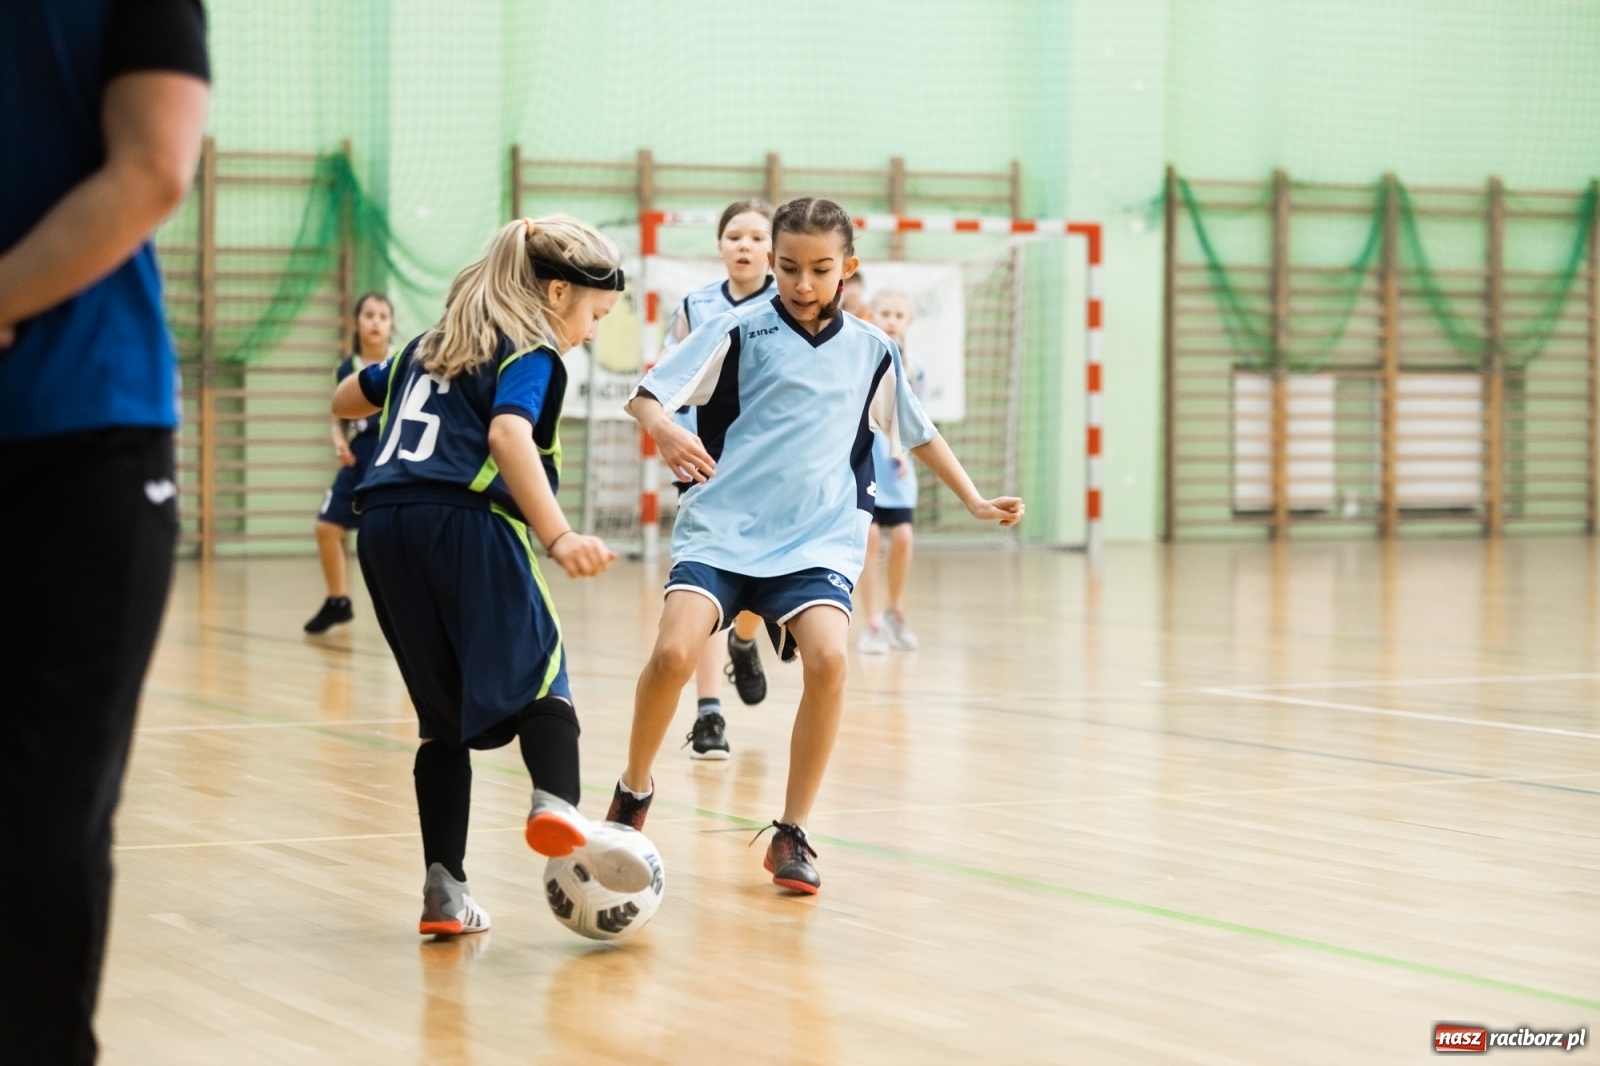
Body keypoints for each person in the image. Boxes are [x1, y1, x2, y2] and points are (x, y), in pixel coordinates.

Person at [606, 198, 1023, 894]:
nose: (803, 284)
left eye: (821, 270)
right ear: (771, 263)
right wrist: (668, 430)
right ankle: (634, 788)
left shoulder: (871, 350)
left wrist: (974, 497)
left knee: (830, 659)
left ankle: (792, 831)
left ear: (847, 269)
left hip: (815, 539)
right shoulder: (734, 329)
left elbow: (916, 432)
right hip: (724, 529)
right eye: (790, 268)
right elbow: (648, 395)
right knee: (674, 652)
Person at [332, 215, 653, 938]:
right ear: (557, 291)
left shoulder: (427, 346)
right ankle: (555, 804)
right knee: (546, 682)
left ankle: (444, 892)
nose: (594, 330)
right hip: (469, 522)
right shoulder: (531, 348)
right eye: (595, 315)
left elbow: (344, 400)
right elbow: (509, 435)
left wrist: (401, 392)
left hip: (383, 528)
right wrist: (559, 534)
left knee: (440, 724)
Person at [0, 1, 209, 1060]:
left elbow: (153, 167)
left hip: (77, 431)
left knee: (43, 816)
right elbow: (157, 164)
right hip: (84, 429)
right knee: (48, 807)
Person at [663, 199, 776, 759]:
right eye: (735, 235)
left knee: (761, 578)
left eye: (757, 236)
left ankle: (747, 638)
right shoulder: (696, 304)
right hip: (706, 463)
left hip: (771, 466)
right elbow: (671, 377)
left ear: (772, 249)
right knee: (702, 587)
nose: (745, 245)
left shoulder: (790, 302)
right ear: (720, 244)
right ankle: (709, 713)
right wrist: (668, 431)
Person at [305, 291, 395, 634]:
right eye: (368, 315)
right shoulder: (346, 369)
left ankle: (411, 608)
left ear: (390, 326)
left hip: (386, 458)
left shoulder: (400, 363)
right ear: (357, 323)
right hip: (357, 457)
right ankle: (337, 601)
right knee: (327, 527)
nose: (375, 321)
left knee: (385, 540)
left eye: (382, 316)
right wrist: (339, 443)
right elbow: (337, 416)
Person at [856, 290, 924, 653]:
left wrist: (904, 449)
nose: (892, 320)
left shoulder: (915, 367)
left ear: (908, 321)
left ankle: (895, 611)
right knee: (869, 540)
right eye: (886, 313)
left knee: (902, 539)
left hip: (898, 469)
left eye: (900, 314)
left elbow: (917, 418)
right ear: (873, 315)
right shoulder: (863, 356)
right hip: (867, 461)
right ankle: (871, 624)